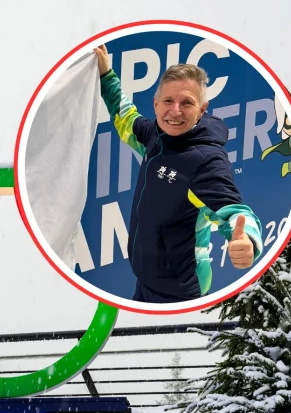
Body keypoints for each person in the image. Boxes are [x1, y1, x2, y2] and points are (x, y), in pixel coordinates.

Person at [92, 44, 263, 303]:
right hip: (146, 283)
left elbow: (235, 213)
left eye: (187, 103)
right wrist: (107, 75)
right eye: (169, 101)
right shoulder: (154, 135)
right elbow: (124, 115)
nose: (176, 111)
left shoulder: (206, 162)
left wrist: (246, 238)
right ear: (156, 103)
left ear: (202, 109)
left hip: (180, 293)